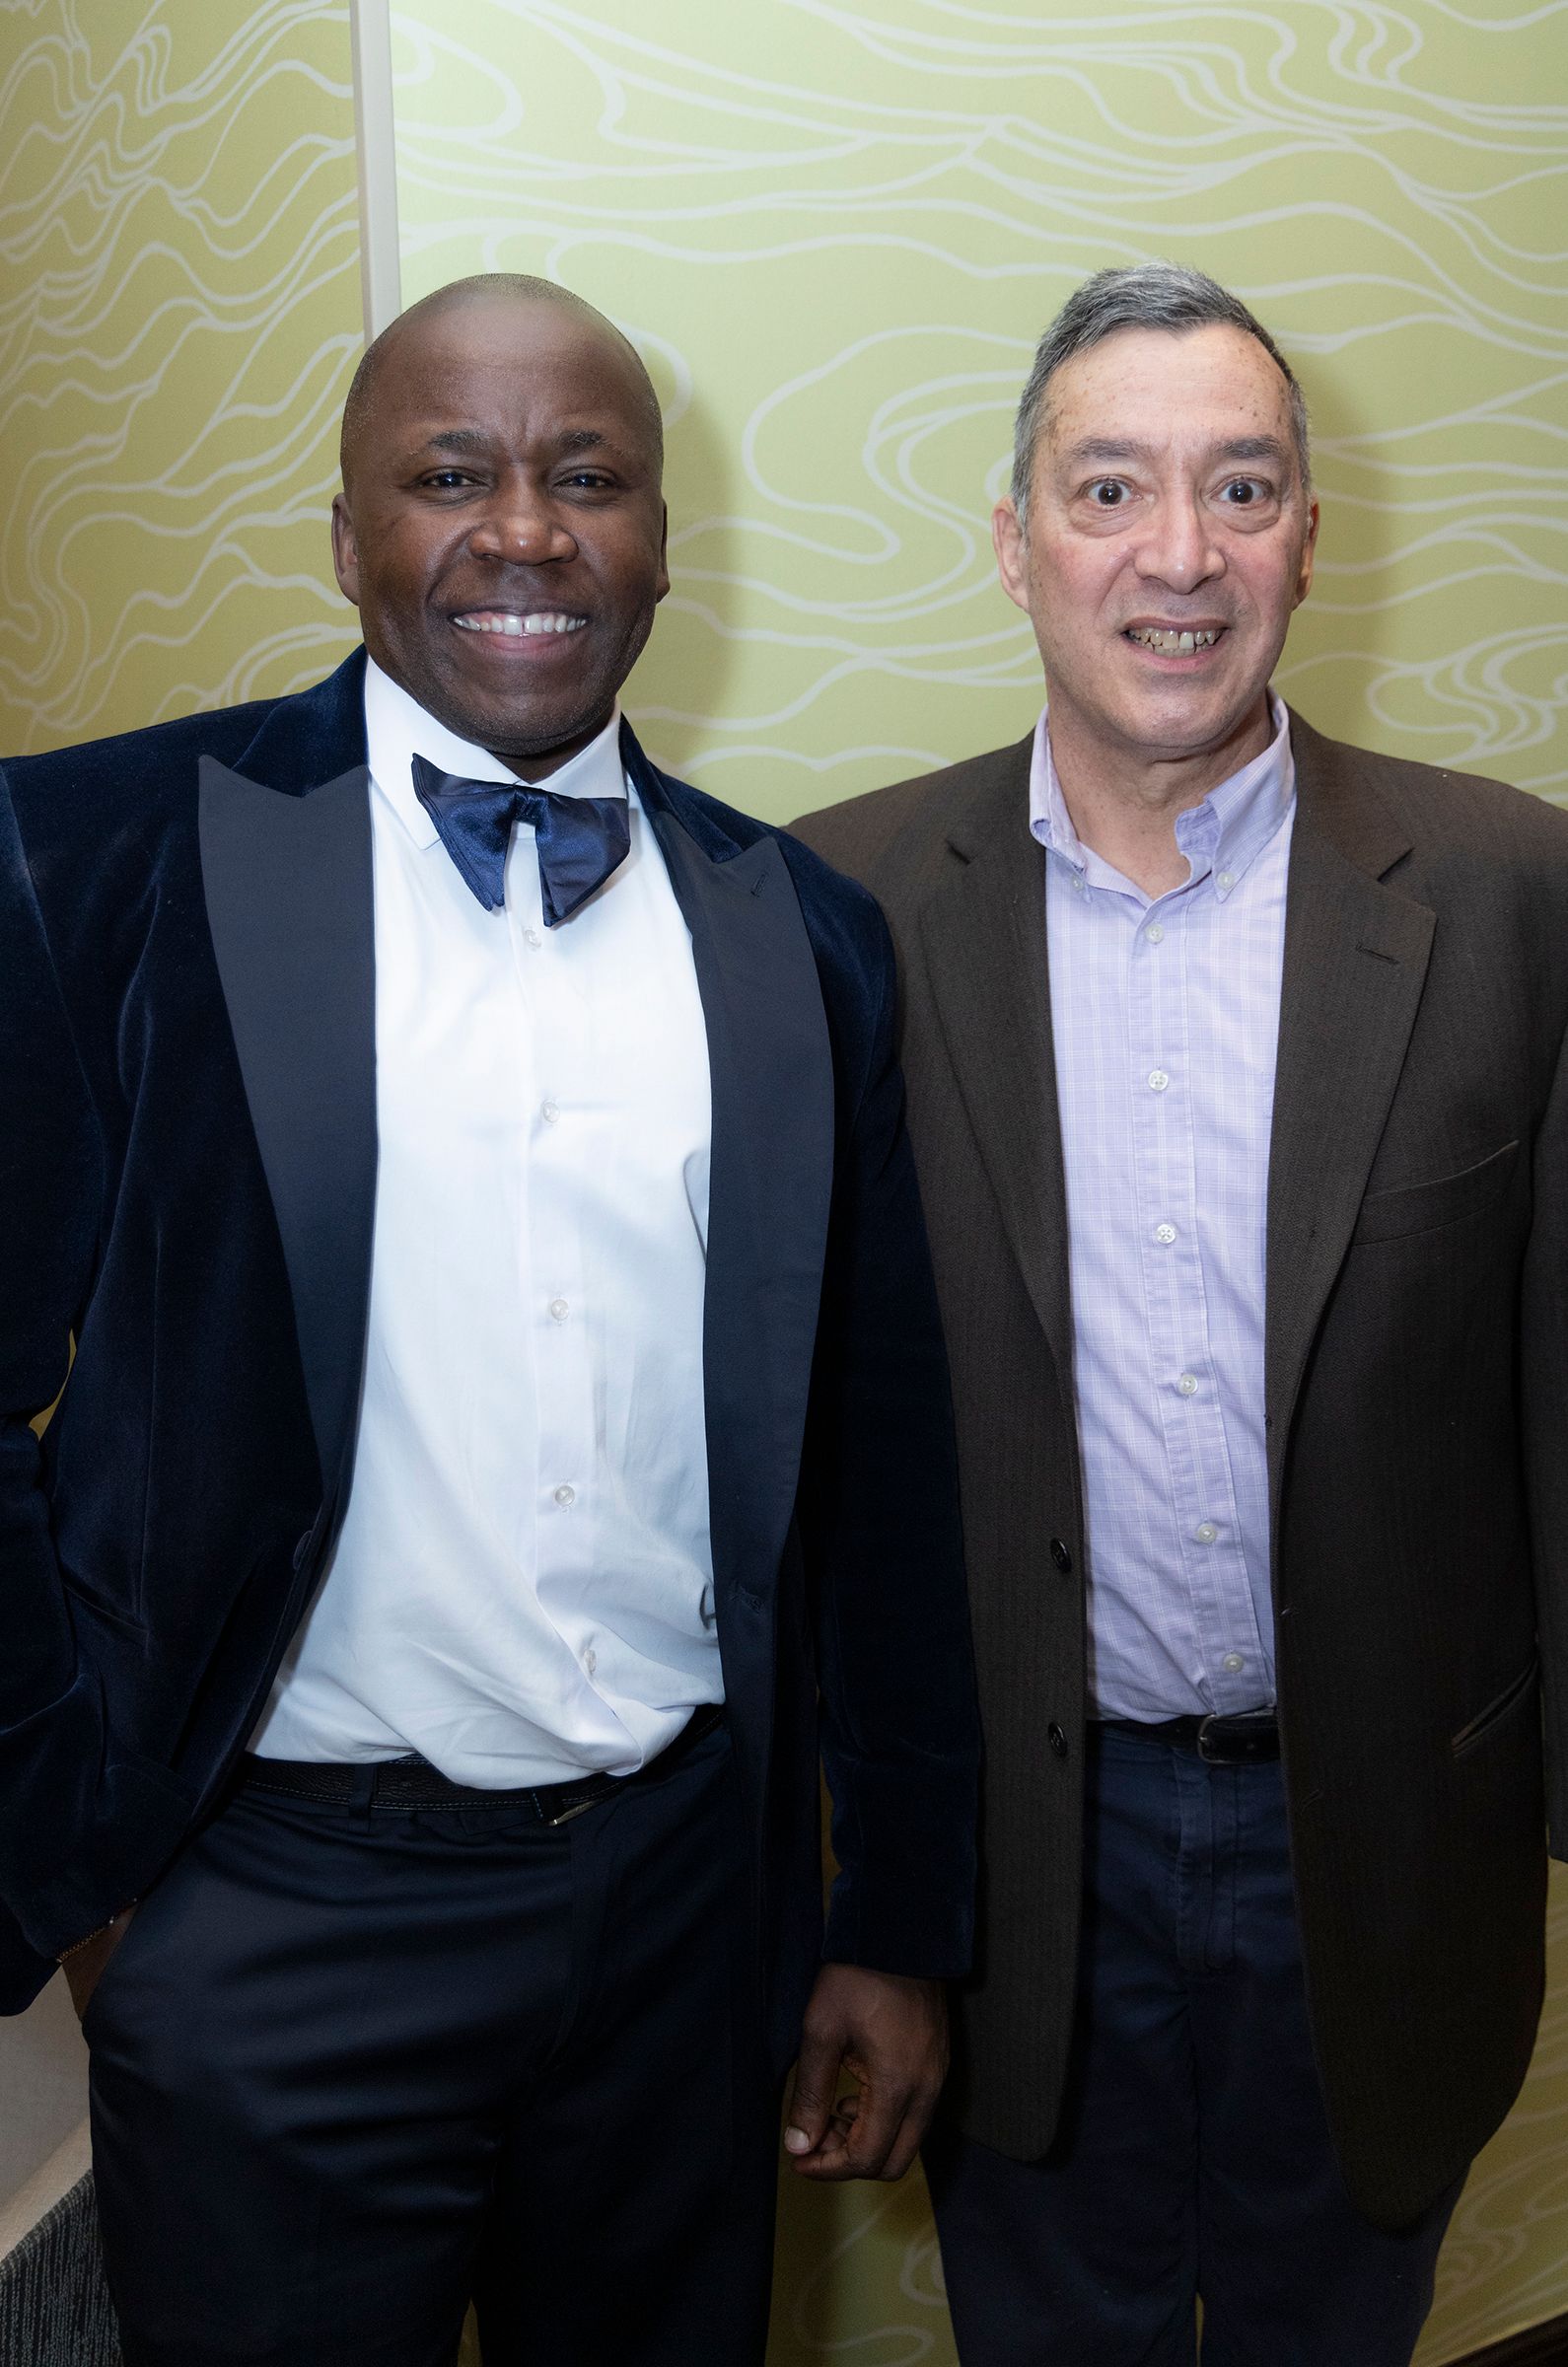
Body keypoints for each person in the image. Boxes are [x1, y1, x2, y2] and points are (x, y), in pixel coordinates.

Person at [0, 272, 979, 2367]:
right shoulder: (95, 855)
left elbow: (882, 1465)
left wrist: (892, 1922)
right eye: (450, 475)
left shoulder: (802, 932)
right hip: (276, 1914)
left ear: (661, 544)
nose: (523, 530)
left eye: (587, 478)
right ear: (346, 532)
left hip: (685, 1925)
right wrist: (76, 1863)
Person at [792, 261, 1568, 2365]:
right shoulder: (834, 912)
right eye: (1109, 488)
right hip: (1020, 1870)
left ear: (1307, 536)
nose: (1179, 555)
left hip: (1387, 1852)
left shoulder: (1515, 900)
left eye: (1239, 487)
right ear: (1014, 540)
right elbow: (799, 1468)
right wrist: (856, 1897)